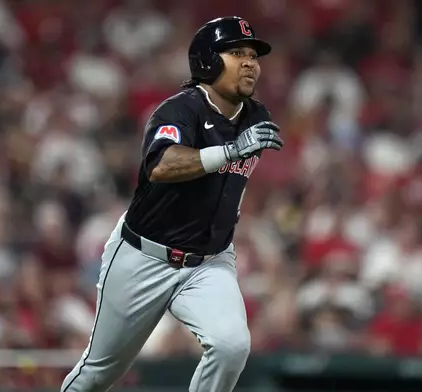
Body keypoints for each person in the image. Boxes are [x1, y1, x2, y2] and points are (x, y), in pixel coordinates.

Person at [61, 16, 283, 392]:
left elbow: (231, 183)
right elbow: (161, 165)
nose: (250, 62)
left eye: (253, 55)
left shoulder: (256, 116)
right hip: (144, 256)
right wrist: (229, 151)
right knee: (97, 375)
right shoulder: (178, 111)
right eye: (236, 53)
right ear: (208, 61)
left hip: (209, 261)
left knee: (231, 346)